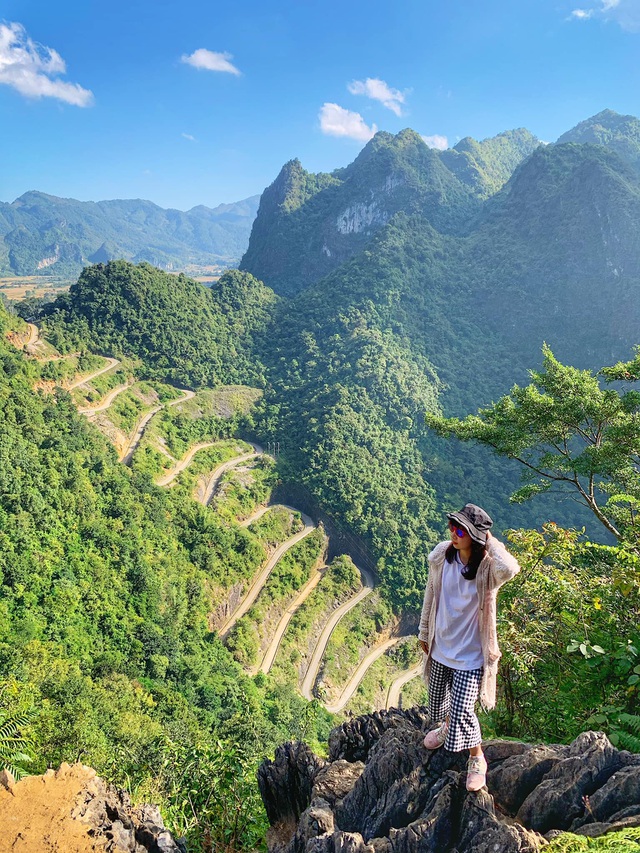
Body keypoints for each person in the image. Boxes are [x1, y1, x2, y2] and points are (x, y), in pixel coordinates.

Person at [418, 503, 520, 791]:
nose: (453, 533)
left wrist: (489, 540)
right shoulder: (442, 556)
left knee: (463, 710)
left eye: (461, 530)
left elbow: (511, 567)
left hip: (470, 654)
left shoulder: (488, 569)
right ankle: (447, 727)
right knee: (437, 701)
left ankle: (477, 758)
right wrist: (424, 631)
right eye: (452, 526)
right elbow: (430, 595)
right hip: (441, 646)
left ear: (475, 536)